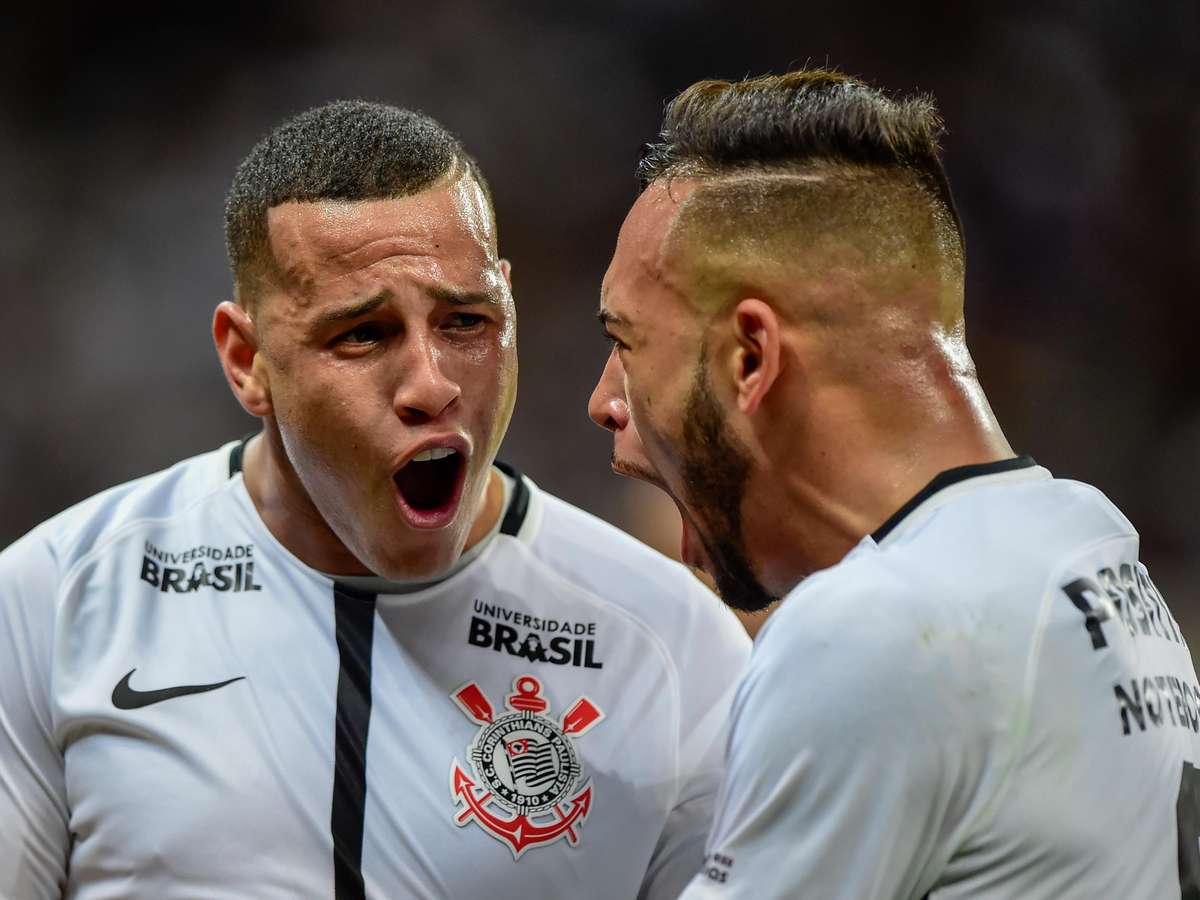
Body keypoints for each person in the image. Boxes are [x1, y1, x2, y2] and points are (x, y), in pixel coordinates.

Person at [0, 100, 750, 900]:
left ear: (510, 306)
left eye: (466, 321)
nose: (432, 384)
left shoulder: (673, 647)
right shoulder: (55, 601)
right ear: (247, 360)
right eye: (363, 334)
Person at [588, 69, 1200, 899]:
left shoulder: (878, 630)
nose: (603, 400)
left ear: (750, 357)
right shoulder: (1087, 546)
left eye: (627, 343)